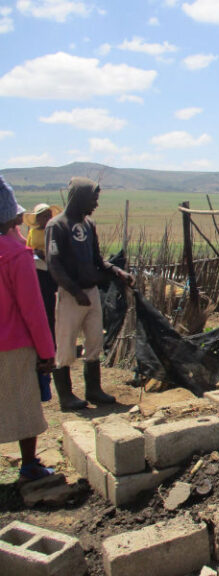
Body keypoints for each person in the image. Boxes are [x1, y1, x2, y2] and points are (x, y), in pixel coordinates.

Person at [45, 177, 134, 410]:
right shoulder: (57, 226)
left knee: (94, 341)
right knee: (65, 345)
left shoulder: (88, 225)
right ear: (80, 198)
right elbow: (54, 265)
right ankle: (66, 397)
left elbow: (97, 260)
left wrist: (117, 271)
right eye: (93, 199)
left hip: (91, 293)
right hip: (70, 296)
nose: (95, 204)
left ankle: (94, 390)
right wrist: (75, 291)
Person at [0, 175, 56, 481]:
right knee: (24, 403)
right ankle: (29, 465)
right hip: (14, 344)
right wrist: (47, 352)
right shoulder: (16, 255)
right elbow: (33, 310)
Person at [23, 203, 61, 341]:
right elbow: (28, 249)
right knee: (43, 306)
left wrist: (46, 254)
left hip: (52, 271)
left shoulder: (54, 231)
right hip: (38, 272)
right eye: (43, 216)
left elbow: (58, 249)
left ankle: (54, 340)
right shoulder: (33, 232)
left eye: (48, 215)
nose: (46, 218)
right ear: (37, 219)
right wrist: (35, 252)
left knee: (53, 307)